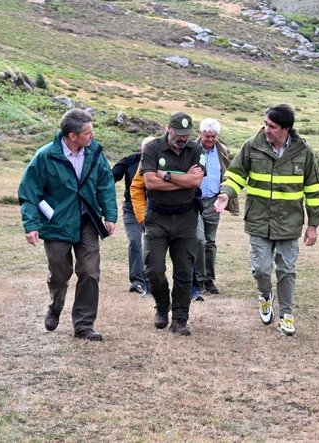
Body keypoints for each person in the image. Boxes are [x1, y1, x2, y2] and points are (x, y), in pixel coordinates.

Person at [214, 104, 319, 336]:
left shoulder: (304, 152)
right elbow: (235, 174)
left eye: (272, 126)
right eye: (265, 124)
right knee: (261, 270)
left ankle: (286, 314)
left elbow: (313, 190)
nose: (266, 129)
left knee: (286, 270)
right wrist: (226, 193)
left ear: (286, 129)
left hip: (289, 223)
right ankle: (265, 296)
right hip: (258, 221)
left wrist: (313, 225)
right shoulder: (252, 145)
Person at [18, 108, 117, 342]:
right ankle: (55, 306)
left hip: (87, 221)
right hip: (57, 224)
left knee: (90, 273)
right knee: (60, 274)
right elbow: (29, 192)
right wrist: (31, 224)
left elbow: (105, 183)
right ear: (72, 136)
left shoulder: (95, 152)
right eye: (87, 132)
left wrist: (109, 214)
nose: (92, 136)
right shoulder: (45, 156)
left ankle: (84, 325)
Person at [139, 112, 205, 336]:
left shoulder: (196, 150)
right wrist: (182, 180)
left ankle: (180, 318)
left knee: (185, 271)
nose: (182, 139)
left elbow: (196, 181)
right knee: (154, 269)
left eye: (186, 135)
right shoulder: (152, 148)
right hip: (157, 219)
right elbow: (149, 182)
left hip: (186, 220)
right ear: (168, 128)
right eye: (178, 134)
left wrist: (165, 175)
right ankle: (161, 306)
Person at [190, 118, 239, 301]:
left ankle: (209, 279)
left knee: (210, 242)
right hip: (193, 200)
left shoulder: (222, 150)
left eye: (213, 136)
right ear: (200, 134)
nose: (210, 139)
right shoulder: (191, 150)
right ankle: (199, 278)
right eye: (207, 136)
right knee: (199, 239)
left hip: (213, 201)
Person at [112, 136, 154, 296]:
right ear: (141, 150)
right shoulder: (130, 161)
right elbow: (111, 176)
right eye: (147, 150)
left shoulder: (162, 163)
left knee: (152, 245)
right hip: (131, 209)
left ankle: (151, 280)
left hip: (154, 209)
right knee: (135, 241)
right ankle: (137, 282)